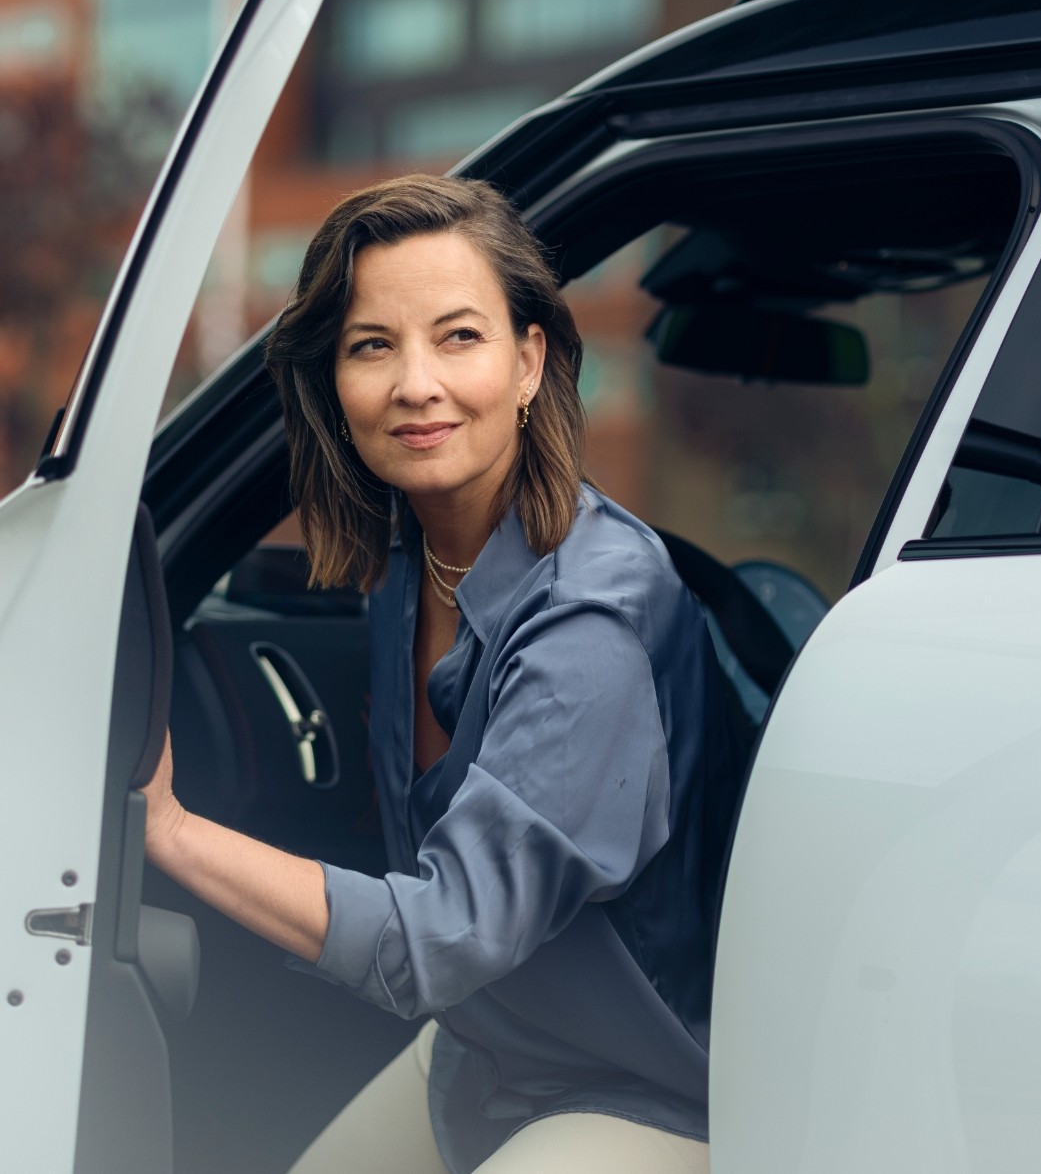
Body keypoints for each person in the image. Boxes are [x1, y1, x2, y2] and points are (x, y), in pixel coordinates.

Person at [142, 174, 742, 1173]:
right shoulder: (412, 559)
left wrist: (168, 830)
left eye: (458, 337)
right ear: (333, 380)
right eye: (372, 346)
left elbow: (435, 938)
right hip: (486, 1054)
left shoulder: (594, 619)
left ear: (527, 360)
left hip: (646, 1095)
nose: (414, 383)